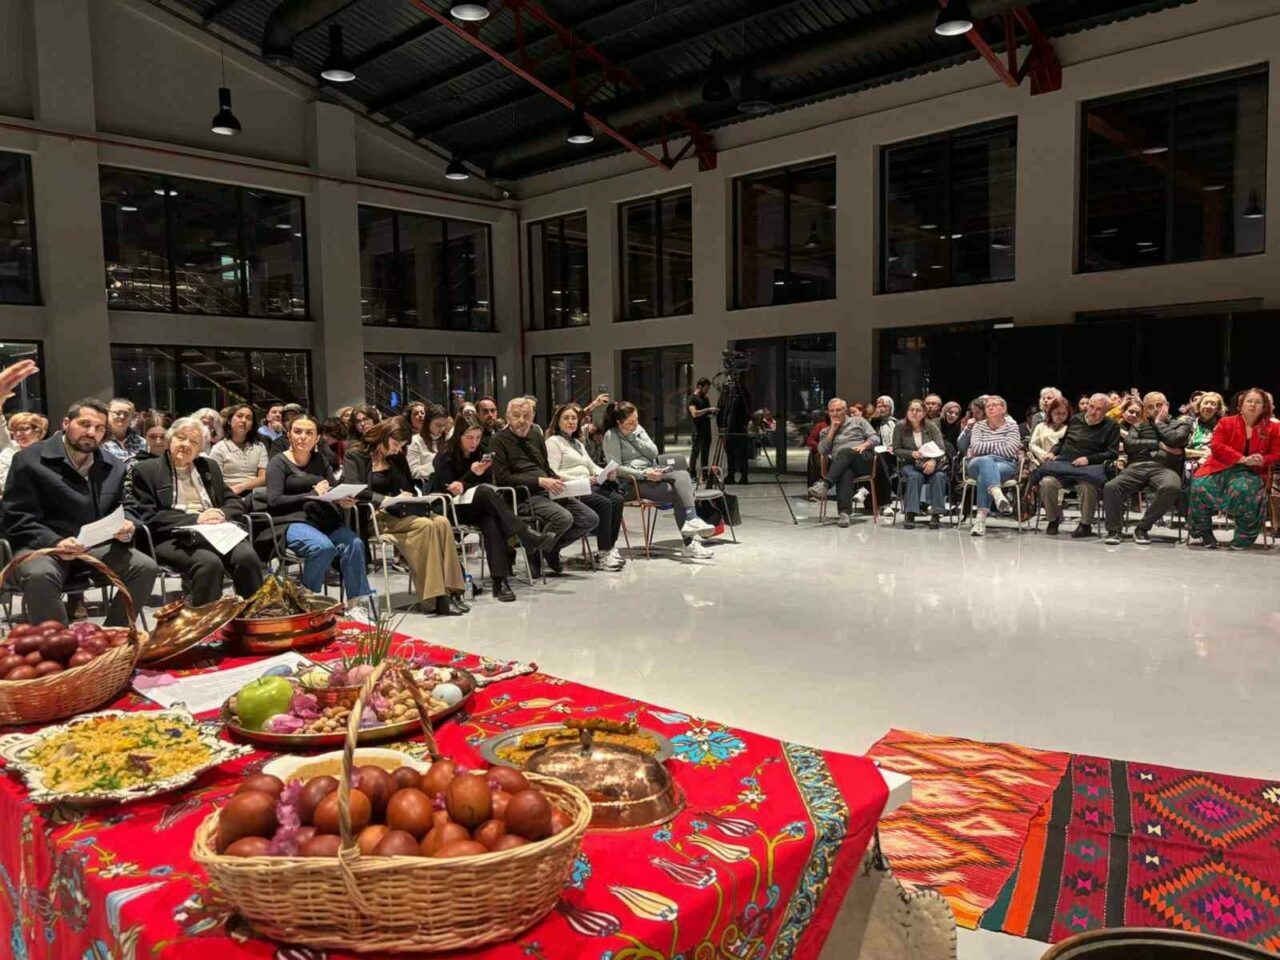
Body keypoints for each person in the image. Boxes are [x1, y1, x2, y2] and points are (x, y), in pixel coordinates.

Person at [1, 398, 158, 626]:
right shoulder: (29, 460)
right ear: (66, 423)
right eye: (84, 424)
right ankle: (59, 643)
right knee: (40, 575)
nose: (91, 432)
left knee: (145, 567)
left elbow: (128, 506)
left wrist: (128, 523)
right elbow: (17, 516)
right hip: (41, 546)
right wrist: (56, 542)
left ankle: (115, 636)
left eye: (99, 428)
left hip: (93, 546)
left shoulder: (113, 465)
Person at [130, 417, 263, 606]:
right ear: (170, 439)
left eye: (193, 442)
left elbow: (233, 501)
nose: (185, 444)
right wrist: (198, 518)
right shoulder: (146, 470)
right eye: (181, 438)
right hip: (171, 536)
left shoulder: (208, 466)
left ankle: (253, 614)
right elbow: (149, 516)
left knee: (246, 556)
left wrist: (221, 513)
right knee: (209, 563)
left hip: (215, 531)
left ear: (200, 448)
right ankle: (206, 621)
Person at [343, 418, 468, 615]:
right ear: (384, 436)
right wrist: (386, 500)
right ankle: (435, 597)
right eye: (395, 444)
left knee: (442, 522)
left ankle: (452, 591)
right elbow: (354, 489)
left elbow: (408, 485)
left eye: (401, 446)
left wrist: (406, 495)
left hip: (400, 511)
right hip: (375, 516)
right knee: (425, 526)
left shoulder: (397, 457)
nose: (397, 449)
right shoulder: (356, 454)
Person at [431, 413, 558, 602]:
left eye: (478, 437)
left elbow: (487, 482)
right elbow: (446, 490)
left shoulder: (482, 453)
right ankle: (523, 534)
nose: (474, 442)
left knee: (491, 521)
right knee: (486, 494)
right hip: (449, 509)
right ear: (459, 436)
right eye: (469, 438)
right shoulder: (445, 456)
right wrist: (469, 476)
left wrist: (473, 478)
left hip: (476, 506)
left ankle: (500, 582)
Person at [265, 413, 372, 601]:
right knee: (323, 548)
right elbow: (274, 501)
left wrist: (340, 500)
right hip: (292, 520)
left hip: (322, 519)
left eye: (309, 433)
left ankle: (357, 603)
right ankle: (307, 598)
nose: (303, 437)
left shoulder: (320, 460)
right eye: (298, 432)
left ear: (317, 438)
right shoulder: (278, 462)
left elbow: (331, 489)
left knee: (355, 544)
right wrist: (311, 494)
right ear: (289, 435)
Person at [491, 398, 598, 577]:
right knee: (563, 518)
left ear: (533, 416)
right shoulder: (499, 440)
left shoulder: (535, 435)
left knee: (590, 519)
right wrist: (539, 481)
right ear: (508, 417)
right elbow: (503, 478)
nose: (522, 420)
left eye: (526, 416)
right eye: (516, 416)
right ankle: (535, 553)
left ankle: (548, 548)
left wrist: (558, 480)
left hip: (547, 489)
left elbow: (545, 467)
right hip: (523, 495)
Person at [602, 401, 716, 558]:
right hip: (632, 481)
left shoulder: (637, 429)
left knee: (682, 475)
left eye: (636, 420)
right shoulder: (611, 435)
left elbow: (654, 453)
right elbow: (616, 468)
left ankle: (692, 518)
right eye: (630, 422)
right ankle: (689, 543)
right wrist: (644, 474)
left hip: (652, 470)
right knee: (679, 494)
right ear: (619, 422)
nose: (635, 424)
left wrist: (633, 437)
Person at [1188, 388, 1280, 550]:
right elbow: (1217, 446)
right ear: (1241, 405)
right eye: (1249, 401)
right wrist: (1241, 458)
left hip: (1253, 471)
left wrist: (1263, 459)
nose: (1253, 405)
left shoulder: (1273, 427)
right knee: (1200, 486)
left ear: (1264, 406)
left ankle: (1243, 537)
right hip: (1220, 467)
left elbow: (1277, 453)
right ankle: (1203, 533)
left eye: (1258, 402)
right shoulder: (1226, 422)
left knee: (1243, 489)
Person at [1102, 392, 1190, 545]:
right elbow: (1129, 445)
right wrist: (1158, 444)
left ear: (1167, 405)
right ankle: (1114, 530)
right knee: (1111, 486)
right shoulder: (1139, 426)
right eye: (1150, 407)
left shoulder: (1181, 424)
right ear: (1146, 410)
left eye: (1159, 405)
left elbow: (1175, 439)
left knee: (1171, 487)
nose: (1155, 409)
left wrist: (1159, 423)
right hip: (1137, 466)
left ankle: (1142, 528)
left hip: (1165, 468)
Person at [546, 403, 626, 571]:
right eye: (566, 418)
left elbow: (591, 466)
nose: (571, 422)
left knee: (617, 499)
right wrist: (580, 479)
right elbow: (553, 471)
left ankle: (610, 547)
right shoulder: (553, 442)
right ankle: (603, 554)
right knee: (604, 503)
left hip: (587, 485)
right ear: (558, 421)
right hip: (570, 488)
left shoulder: (577, 443)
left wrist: (605, 472)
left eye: (574, 418)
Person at [1032, 393, 1120, 538]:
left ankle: (1085, 525)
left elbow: (1112, 453)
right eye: (1091, 406)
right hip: (1065, 465)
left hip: (1087, 469)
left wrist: (1088, 459)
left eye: (1098, 409)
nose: (1093, 411)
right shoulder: (1076, 419)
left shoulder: (1112, 426)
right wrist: (1052, 452)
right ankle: (1053, 520)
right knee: (1047, 483)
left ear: (1106, 411)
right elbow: (1062, 442)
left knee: (1088, 487)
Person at [808, 398, 878, 528]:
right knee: (845, 472)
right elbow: (822, 450)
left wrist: (864, 445)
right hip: (841, 465)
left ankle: (825, 484)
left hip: (862, 460)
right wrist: (832, 430)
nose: (835, 413)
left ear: (845, 411)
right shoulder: (825, 431)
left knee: (845, 452)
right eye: (832, 411)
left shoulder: (859, 421)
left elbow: (875, 437)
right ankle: (844, 513)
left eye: (838, 410)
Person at [964, 395, 1022, 538]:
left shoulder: (1012, 426)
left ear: (1003, 408)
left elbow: (1010, 450)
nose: (990, 408)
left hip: (1005, 464)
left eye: (994, 405)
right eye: (988, 406)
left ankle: (980, 520)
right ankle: (997, 492)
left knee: (984, 475)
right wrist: (1000, 445)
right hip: (977, 463)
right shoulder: (978, 426)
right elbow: (976, 447)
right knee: (985, 461)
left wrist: (987, 450)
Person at [893, 399, 947, 529]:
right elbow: (896, 449)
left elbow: (941, 448)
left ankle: (936, 514)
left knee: (939, 476)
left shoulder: (931, 426)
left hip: (931, 463)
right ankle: (910, 514)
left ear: (923, 413)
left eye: (918, 410)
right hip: (910, 464)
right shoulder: (900, 426)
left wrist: (933, 461)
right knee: (915, 476)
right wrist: (911, 453)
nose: (914, 413)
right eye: (911, 410)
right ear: (907, 412)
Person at [209, 404, 268, 498]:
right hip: (229, 495)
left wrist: (241, 487)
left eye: (249, 418)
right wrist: (231, 492)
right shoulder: (218, 448)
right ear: (229, 421)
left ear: (252, 425)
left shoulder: (259, 446)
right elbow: (215, 481)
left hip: (255, 493)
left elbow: (264, 478)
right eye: (239, 416)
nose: (244, 420)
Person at [0, 411, 47, 492]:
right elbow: (6, 484)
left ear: (38, 430)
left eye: (23, 429)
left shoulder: (49, 450)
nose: (18, 434)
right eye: (14, 430)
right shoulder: (8, 453)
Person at [407, 402, 451, 483]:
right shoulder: (415, 441)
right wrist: (436, 466)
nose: (442, 429)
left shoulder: (448, 439)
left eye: (444, 425)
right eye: (438, 425)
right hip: (429, 485)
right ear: (427, 423)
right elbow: (412, 471)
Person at [1028, 396, 1071, 469]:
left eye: (1064, 413)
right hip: (1043, 462)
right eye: (1057, 413)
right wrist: (1045, 455)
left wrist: (1058, 457)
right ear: (1051, 412)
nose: (1060, 416)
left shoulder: (1070, 428)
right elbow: (1032, 445)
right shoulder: (1041, 426)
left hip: (1062, 463)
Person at [687, 378, 717, 480]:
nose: (707, 391)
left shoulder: (705, 399)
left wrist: (712, 413)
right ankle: (692, 475)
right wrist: (708, 409)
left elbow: (705, 414)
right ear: (700, 386)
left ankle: (705, 475)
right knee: (695, 454)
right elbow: (694, 413)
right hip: (697, 431)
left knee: (705, 455)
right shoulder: (692, 398)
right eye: (706, 388)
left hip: (706, 430)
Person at [1184, 391, 1224, 469]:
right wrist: (1202, 454)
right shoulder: (1188, 423)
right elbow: (1181, 451)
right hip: (1191, 463)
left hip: (1214, 464)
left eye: (1213, 404)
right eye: (1205, 403)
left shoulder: (1223, 426)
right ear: (1199, 406)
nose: (1208, 406)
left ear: (1218, 409)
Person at [102, 398, 147, 464]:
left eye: (126, 414)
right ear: (107, 413)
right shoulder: (100, 440)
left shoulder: (142, 442)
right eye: (118, 413)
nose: (122, 417)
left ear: (131, 417)